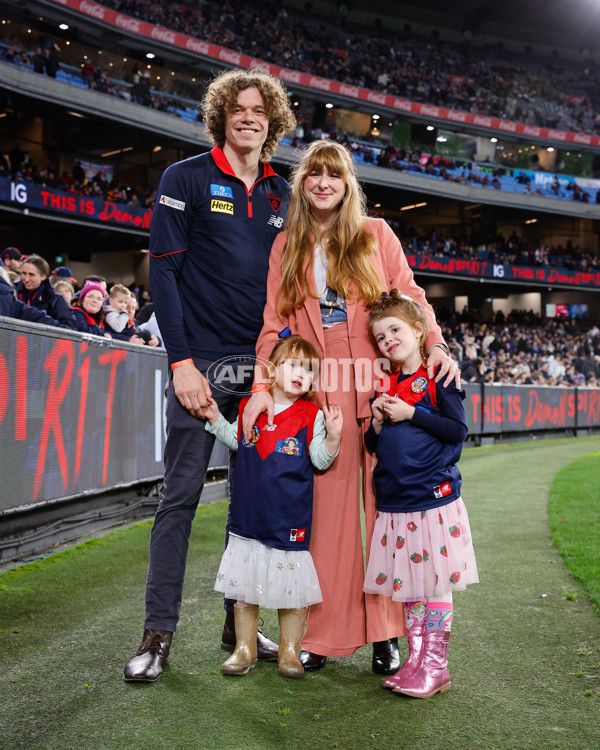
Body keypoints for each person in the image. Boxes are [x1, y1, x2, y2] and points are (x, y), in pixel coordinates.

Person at [244, 140, 459, 674]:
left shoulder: (376, 234)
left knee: (385, 514)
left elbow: (408, 295)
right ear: (302, 185)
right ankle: (323, 634)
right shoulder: (286, 246)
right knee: (329, 520)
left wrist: (435, 344)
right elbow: (273, 325)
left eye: (333, 174)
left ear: (347, 183)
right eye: (313, 174)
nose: (323, 183)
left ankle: (386, 634)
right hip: (321, 390)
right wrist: (260, 389)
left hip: (380, 383)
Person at [123, 68, 296, 683]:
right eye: (237, 109)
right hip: (201, 368)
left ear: (272, 122)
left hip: (262, 374)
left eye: (259, 111)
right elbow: (163, 275)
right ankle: (156, 635)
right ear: (221, 115)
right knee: (181, 498)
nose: (248, 118)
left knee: (250, 506)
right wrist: (182, 364)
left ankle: (239, 626)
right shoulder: (186, 177)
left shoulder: (286, 191)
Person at [204, 334, 343, 678]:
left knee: (291, 591)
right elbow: (238, 439)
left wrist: (335, 438)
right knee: (245, 590)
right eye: (293, 364)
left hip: (289, 519)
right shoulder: (251, 407)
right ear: (273, 369)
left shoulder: (312, 415)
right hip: (249, 517)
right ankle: (244, 649)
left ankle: (289, 652)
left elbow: (320, 460)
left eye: (309, 370)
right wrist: (212, 417)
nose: (300, 373)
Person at [363, 290, 478, 698]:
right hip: (396, 504)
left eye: (395, 329)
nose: (388, 339)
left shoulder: (438, 377)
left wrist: (412, 412)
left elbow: (457, 431)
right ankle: (415, 659)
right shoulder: (388, 385)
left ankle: (436, 665)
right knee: (411, 587)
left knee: (434, 584)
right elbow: (373, 448)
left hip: (432, 499)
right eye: (380, 336)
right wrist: (376, 424)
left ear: (418, 330)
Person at [16, 254, 76, 328]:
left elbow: (70, 329)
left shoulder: (55, 299)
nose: (26, 279)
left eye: (31, 275)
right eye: (24, 273)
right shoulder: (12, 291)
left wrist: (39, 318)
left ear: (43, 276)